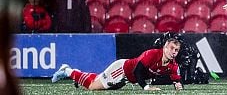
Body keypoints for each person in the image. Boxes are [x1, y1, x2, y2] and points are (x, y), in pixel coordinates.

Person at [51, 38, 184, 91]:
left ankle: (78, 76)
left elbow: (177, 81)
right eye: (171, 48)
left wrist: (178, 86)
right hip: (122, 70)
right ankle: (67, 71)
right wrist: (146, 87)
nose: (173, 52)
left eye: (176, 50)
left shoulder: (173, 65)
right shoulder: (153, 54)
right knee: (92, 87)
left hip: (127, 79)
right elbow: (138, 70)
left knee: (99, 79)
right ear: (165, 47)